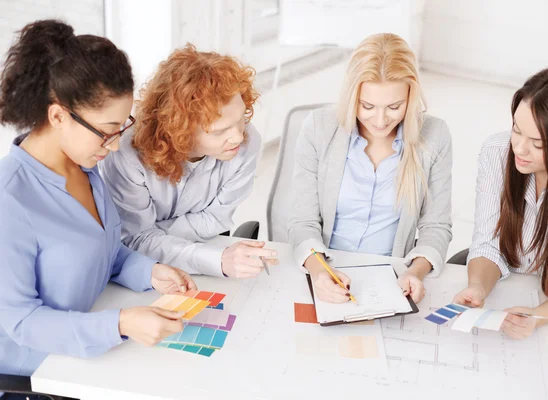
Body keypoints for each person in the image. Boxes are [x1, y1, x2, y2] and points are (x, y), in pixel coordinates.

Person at [0, 20, 196, 388]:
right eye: (107, 132)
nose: (115, 145)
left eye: (121, 129)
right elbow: (21, 321)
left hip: (88, 357)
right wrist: (120, 323)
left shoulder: (85, 167)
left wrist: (149, 271)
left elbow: (103, 251)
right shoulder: (9, 200)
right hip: (36, 375)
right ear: (58, 115)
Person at [287, 33, 452, 304]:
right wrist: (320, 272)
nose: (379, 120)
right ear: (352, 96)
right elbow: (302, 220)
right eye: (367, 106)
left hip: (391, 277)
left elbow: (436, 226)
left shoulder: (435, 135)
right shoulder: (318, 128)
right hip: (327, 268)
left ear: (411, 97)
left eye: (394, 107)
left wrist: (416, 272)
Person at [100, 45, 278, 279]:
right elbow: (134, 240)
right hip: (147, 271)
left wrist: (154, 234)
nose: (237, 136)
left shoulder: (247, 141)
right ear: (179, 130)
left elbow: (215, 220)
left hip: (206, 253)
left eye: (241, 119)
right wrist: (216, 260)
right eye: (219, 131)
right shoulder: (127, 153)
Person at [454, 67, 548, 339]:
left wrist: (538, 316)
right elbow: (488, 243)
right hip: (504, 283)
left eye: (537, 143)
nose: (519, 148)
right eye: (516, 130)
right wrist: (477, 287)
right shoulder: (497, 152)